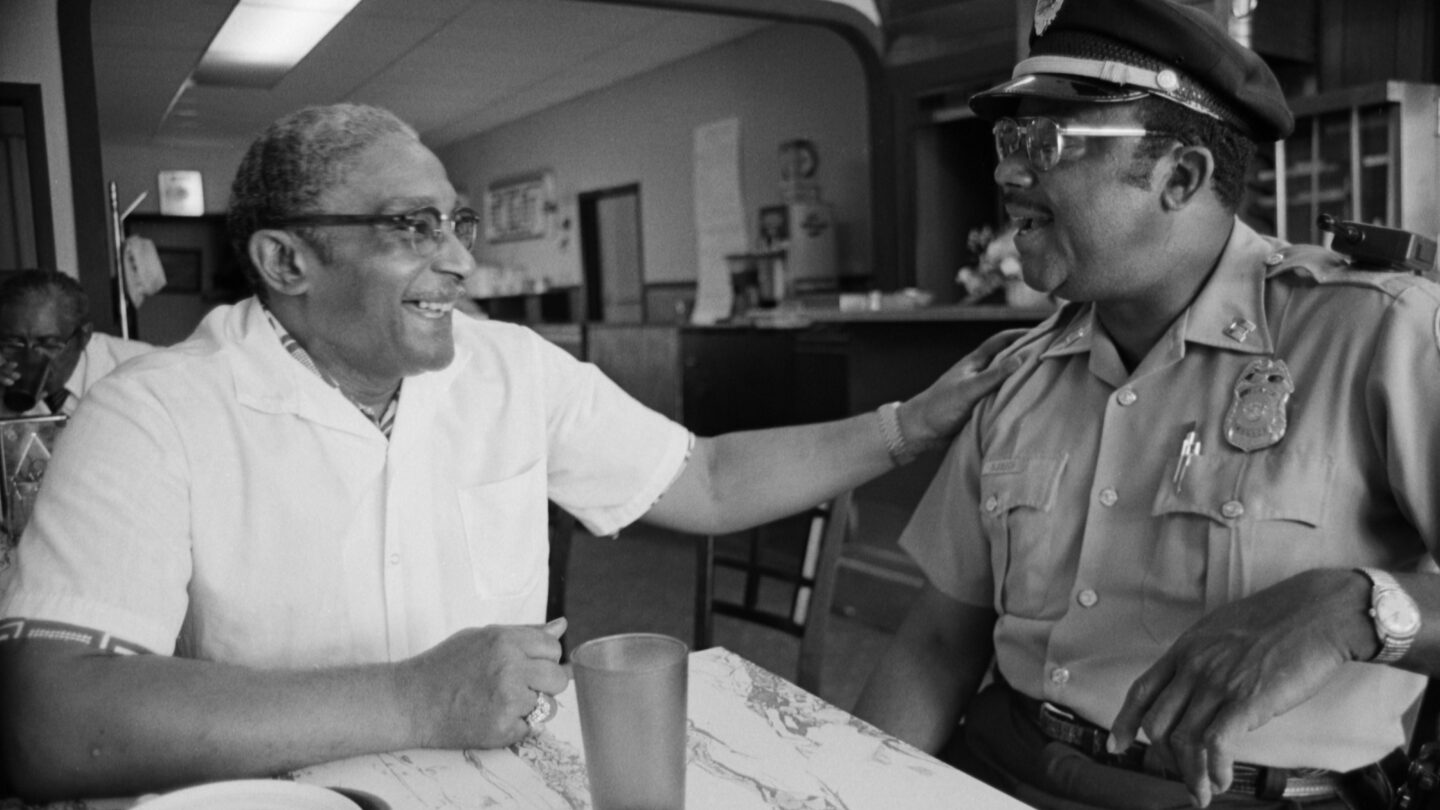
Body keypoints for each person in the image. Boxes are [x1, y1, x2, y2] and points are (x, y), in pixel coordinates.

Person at [0, 103, 1018, 801]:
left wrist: (906, 427)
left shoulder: (510, 370)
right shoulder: (154, 413)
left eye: (458, 220)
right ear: (286, 259)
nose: (459, 257)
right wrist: (412, 697)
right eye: (412, 225)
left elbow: (704, 480)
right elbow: (47, 718)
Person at [852, 1, 1440, 809]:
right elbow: (938, 640)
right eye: (1009, 141)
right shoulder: (1019, 371)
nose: (1006, 173)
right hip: (1002, 762)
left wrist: (1353, 607)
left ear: (1181, 177)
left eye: (1046, 142)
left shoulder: (1376, 334)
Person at [0, 269, 152, 416]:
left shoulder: (143, 370)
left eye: (48, 344)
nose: (29, 358)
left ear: (84, 336)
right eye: (13, 343)